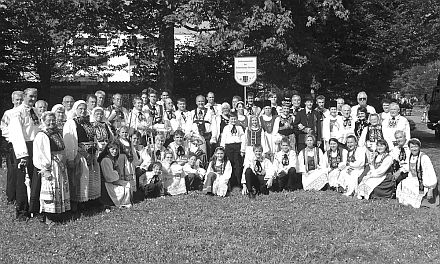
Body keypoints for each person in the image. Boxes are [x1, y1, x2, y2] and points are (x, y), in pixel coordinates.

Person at [33, 112, 71, 224]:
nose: (51, 122)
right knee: (50, 190)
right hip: (51, 166)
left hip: (59, 165)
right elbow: (40, 153)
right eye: (48, 120)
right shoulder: (42, 135)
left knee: (60, 189)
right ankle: (48, 218)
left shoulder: (57, 133)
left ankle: (58, 214)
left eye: (53, 120)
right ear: (43, 121)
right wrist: (45, 169)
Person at [8, 88, 41, 220]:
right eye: (31, 96)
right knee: (23, 181)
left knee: (35, 178)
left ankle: (34, 207)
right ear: (25, 96)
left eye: (35, 96)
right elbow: (16, 134)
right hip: (24, 147)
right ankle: (22, 211)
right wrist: (23, 155)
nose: (33, 99)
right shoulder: (17, 113)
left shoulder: (35, 111)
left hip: (35, 146)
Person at [63, 100, 100, 211]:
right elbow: (70, 140)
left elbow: (93, 137)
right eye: (80, 109)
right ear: (76, 110)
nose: (83, 111)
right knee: (81, 178)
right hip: (80, 153)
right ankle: (78, 203)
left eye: (84, 109)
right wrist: (73, 155)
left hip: (91, 153)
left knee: (92, 178)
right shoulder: (71, 123)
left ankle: (90, 201)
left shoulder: (88, 122)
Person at [396, 138, 438, 208]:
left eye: (416, 146)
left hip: (422, 180)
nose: (414, 149)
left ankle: (420, 202)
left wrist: (431, 188)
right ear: (409, 148)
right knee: (402, 184)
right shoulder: (410, 156)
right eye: (412, 147)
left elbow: (430, 172)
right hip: (412, 178)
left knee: (416, 189)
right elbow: (407, 167)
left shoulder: (424, 157)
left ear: (419, 147)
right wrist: (400, 171)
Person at [1, 90, 24, 204]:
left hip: (25, 145)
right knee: (13, 171)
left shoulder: (26, 112)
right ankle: (11, 196)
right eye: (17, 100)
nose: (19, 102)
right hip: (13, 145)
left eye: (21, 99)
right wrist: (12, 138)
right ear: (12, 100)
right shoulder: (8, 113)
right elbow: (3, 127)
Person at [98, 141, 132, 208]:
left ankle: (126, 201)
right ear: (108, 150)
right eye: (112, 149)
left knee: (128, 184)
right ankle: (118, 202)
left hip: (112, 181)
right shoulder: (106, 160)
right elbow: (109, 177)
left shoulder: (113, 159)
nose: (115, 151)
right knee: (124, 188)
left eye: (116, 149)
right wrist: (117, 171)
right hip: (106, 185)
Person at [220, 111, 245, 188]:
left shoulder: (239, 128)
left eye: (235, 119)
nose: (233, 121)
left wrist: (242, 149)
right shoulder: (226, 128)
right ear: (229, 120)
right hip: (229, 147)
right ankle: (231, 183)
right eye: (232, 119)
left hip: (237, 146)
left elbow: (243, 138)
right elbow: (223, 138)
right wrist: (222, 148)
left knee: (238, 165)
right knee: (230, 164)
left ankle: (238, 182)